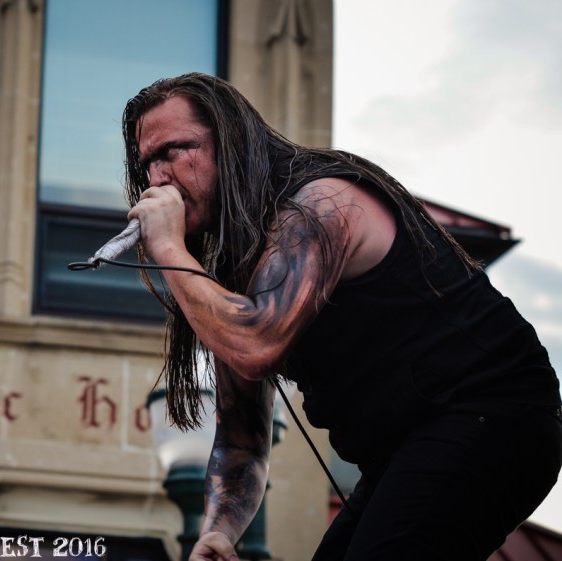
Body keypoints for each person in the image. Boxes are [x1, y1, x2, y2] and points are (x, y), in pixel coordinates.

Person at [121, 73, 562, 561]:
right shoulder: (240, 265)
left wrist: (168, 247)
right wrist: (220, 531)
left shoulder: (321, 204)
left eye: (173, 151)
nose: (156, 179)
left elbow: (254, 344)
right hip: (404, 446)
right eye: (147, 163)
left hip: (492, 414)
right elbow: (242, 437)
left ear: (232, 140)